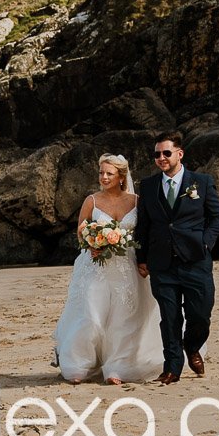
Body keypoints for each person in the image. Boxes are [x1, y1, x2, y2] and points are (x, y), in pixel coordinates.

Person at [52, 154, 164, 384]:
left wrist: (146, 260)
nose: (103, 177)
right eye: (101, 173)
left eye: (109, 174)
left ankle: (117, 367)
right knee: (91, 316)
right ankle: (79, 365)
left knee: (125, 319)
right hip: (96, 266)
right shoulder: (91, 201)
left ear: (121, 176)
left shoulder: (136, 201)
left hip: (127, 267)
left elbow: (143, 232)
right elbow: (81, 231)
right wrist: (91, 243)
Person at [134, 130, 219, 385]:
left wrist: (205, 243)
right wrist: (140, 257)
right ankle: (172, 368)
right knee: (170, 317)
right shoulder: (149, 186)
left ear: (179, 153)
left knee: (200, 314)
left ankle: (193, 345)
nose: (161, 158)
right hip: (161, 263)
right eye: (157, 154)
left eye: (166, 153)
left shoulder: (202, 182)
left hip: (196, 260)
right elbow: (143, 225)